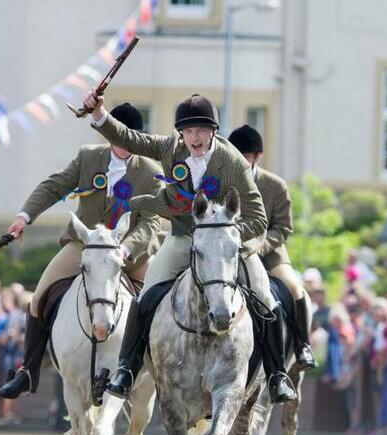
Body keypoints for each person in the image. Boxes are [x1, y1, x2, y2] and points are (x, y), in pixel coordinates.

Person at [82, 90, 296, 403]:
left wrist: (230, 235)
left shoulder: (232, 162)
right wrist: (99, 113)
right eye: (189, 131)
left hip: (223, 244)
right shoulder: (171, 147)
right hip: (183, 237)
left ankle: (277, 374)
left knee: (266, 298)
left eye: (202, 131)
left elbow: (259, 217)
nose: (195, 138)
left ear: (213, 133)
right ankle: (126, 368)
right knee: (146, 296)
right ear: (181, 133)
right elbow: (130, 138)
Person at [0, 103, 164, 399]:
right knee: (38, 298)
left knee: (158, 302)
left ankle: (154, 371)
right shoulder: (89, 157)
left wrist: (125, 249)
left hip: (131, 252)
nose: (124, 144)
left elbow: (151, 223)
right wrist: (24, 217)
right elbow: (54, 186)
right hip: (86, 244)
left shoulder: (150, 171)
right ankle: (28, 370)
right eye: (119, 137)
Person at [228, 124, 315, 370]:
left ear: (257, 156)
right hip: (231, 253)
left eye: (245, 156)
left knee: (295, 288)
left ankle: (302, 345)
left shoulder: (275, 185)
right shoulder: (223, 183)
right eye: (236, 155)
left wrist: (259, 246)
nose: (240, 161)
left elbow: (283, 227)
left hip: (269, 254)